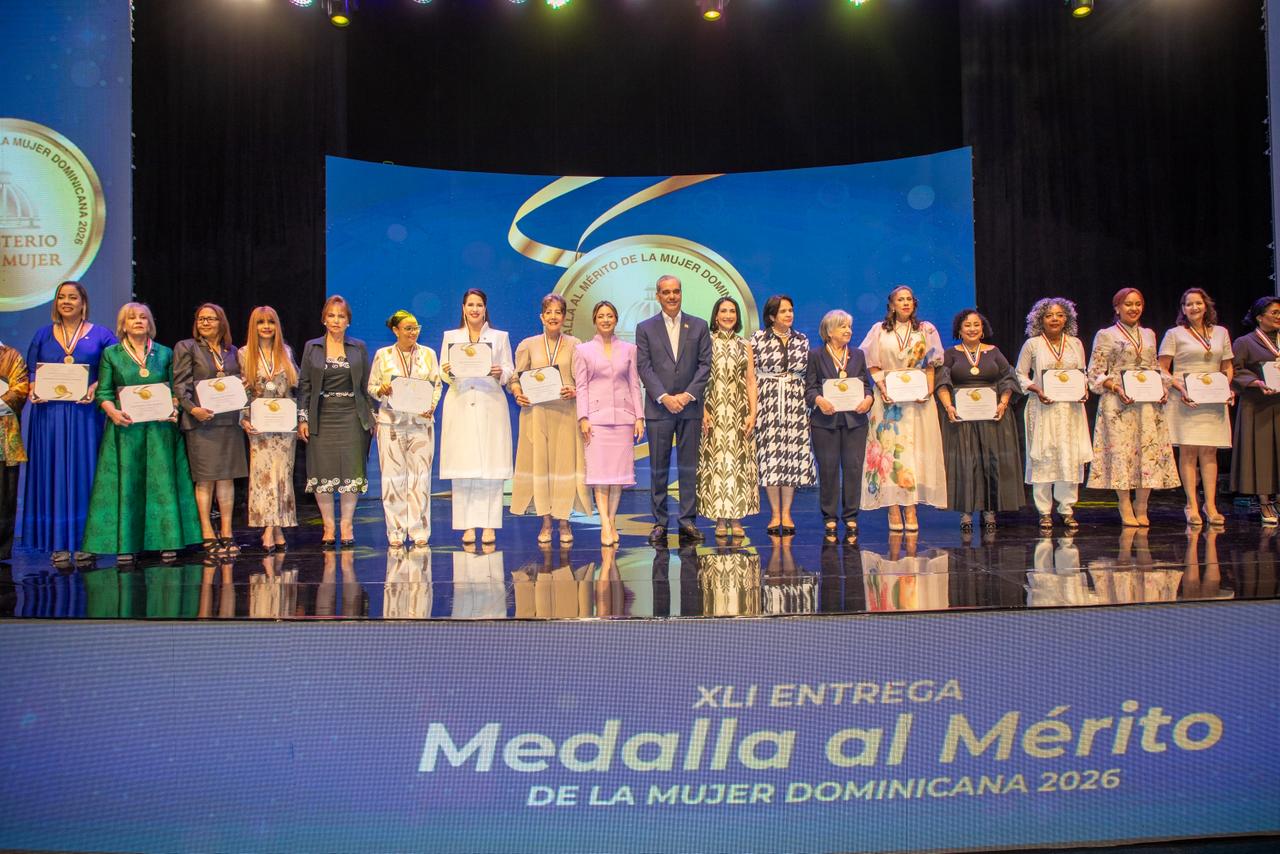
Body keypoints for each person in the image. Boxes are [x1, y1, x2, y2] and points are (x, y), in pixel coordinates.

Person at [81, 302, 202, 561]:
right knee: (129, 485)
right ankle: (127, 544)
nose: (138, 321)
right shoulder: (111, 354)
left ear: (150, 323)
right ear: (123, 325)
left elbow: (176, 389)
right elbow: (103, 392)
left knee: (162, 483)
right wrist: (113, 413)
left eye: (143, 317)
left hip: (160, 430)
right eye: (132, 318)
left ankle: (168, 540)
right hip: (125, 430)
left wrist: (174, 408)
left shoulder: (164, 353)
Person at [22, 280, 117, 563]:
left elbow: (115, 369)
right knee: (52, 473)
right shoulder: (42, 334)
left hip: (85, 415)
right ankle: (58, 543)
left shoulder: (102, 335)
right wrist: (33, 388)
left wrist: (96, 387)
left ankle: (87, 539)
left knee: (85, 473)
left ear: (83, 303)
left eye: (72, 297)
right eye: (61, 297)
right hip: (49, 417)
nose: (66, 301)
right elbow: (31, 371)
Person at [1086, 287, 1180, 525]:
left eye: (1138, 304)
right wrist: (1116, 387)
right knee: (1122, 452)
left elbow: (1155, 367)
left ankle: (1142, 505)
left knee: (1146, 452)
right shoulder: (1105, 334)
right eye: (1128, 304)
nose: (1134, 308)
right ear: (1117, 308)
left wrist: (1162, 389)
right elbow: (1095, 372)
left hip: (1146, 404)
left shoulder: (1149, 334)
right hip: (1118, 402)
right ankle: (1125, 503)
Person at [859, 285, 947, 531]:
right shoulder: (879, 330)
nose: (906, 303)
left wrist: (928, 390)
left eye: (909, 299)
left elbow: (931, 364)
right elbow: (872, 363)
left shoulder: (926, 329)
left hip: (917, 400)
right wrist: (883, 388)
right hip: (889, 399)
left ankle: (911, 507)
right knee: (890, 451)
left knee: (914, 451)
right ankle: (893, 508)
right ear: (892, 305)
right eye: (900, 299)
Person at [635, 274, 712, 544]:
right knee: (659, 468)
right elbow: (644, 366)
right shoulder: (645, 328)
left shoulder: (699, 325)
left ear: (681, 293)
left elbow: (705, 365)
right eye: (666, 292)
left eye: (676, 291)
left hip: (690, 408)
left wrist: (688, 395)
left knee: (689, 467)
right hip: (660, 409)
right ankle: (660, 522)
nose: (672, 296)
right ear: (658, 296)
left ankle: (687, 521)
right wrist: (665, 397)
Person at [510, 294, 592, 544]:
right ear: (541, 317)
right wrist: (518, 393)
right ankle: (546, 522)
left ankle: (564, 522)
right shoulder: (529, 345)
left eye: (558, 312)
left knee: (564, 467)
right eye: (549, 312)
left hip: (566, 413)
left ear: (564, 317)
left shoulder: (575, 345)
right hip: (537, 414)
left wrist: (574, 390)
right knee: (541, 466)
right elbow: (515, 378)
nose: (553, 316)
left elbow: (583, 380)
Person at [935, 309, 1024, 531]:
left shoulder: (994, 352)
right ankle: (966, 513)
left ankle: (990, 510)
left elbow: (1008, 378)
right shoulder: (950, 354)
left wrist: (1003, 403)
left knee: (990, 463)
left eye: (977, 324)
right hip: (962, 419)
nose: (972, 329)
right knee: (966, 463)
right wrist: (948, 407)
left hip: (991, 417)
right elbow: (941, 383)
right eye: (967, 325)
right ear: (959, 330)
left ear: (983, 329)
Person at [297, 295, 374, 547]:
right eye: (331, 315)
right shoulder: (312, 347)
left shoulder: (358, 347)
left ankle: (346, 524)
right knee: (322, 472)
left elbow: (366, 385)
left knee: (352, 470)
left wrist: (372, 416)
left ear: (348, 321)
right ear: (324, 319)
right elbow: (305, 385)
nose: (336, 320)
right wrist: (303, 418)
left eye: (341, 316)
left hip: (353, 415)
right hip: (322, 415)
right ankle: (329, 526)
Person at [439, 288, 515, 545]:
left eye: (479, 305)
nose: (474, 309)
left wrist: (500, 372)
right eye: (470, 304)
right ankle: (467, 526)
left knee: (490, 470)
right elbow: (442, 372)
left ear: (485, 308)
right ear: (463, 308)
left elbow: (509, 368)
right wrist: (448, 371)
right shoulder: (451, 337)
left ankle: (490, 525)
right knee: (464, 469)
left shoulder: (499, 337)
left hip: (490, 404)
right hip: (460, 403)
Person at [173, 303, 248, 554]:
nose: (205, 323)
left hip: (228, 422)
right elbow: (180, 385)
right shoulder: (186, 347)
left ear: (221, 323)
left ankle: (227, 531)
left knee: (226, 478)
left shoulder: (232, 351)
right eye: (201, 319)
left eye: (211, 319)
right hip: (201, 422)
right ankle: (206, 531)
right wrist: (193, 409)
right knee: (205, 480)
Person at [1014, 297, 1092, 530]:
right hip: (1042, 408)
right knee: (1043, 456)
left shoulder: (1075, 343)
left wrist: (1084, 390)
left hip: (1070, 410)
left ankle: (1067, 509)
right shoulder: (1033, 344)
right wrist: (1036, 389)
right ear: (1040, 320)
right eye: (1049, 316)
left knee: (1070, 456)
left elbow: (1082, 373)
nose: (1054, 319)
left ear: (1067, 318)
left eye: (1059, 315)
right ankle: (1044, 511)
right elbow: (1019, 374)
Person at [1158, 288, 1234, 526]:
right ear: (1183, 309)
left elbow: (1227, 366)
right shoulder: (1174, 334)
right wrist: (1180, 388)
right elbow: (1162, 368)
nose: (1194, 307)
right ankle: (1191, 504)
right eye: (1188, 304)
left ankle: (1210, 505)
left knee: (1210, 452)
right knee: (1189, 452)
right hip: (1185, 399)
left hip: (1212, 399)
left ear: (1206, 305)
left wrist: (1225, 388)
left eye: (1198, 303)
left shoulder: (1221, 333)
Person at [368, 309, 442, 548]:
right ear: (396, 330)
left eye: (416, 328)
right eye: (408, 328)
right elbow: (371, 387)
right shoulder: (383, 355)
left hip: (421, 423)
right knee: (393, 479)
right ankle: (396, 531)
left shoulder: (428, 354)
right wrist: (381, 390)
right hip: (391, 423)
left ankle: (419, 530)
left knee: (420, 478)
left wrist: (432, 406)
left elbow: (436, 385)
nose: (413, 332)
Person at [575, 300, 644, 547]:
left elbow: (634, 384)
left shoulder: (629, 349)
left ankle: (611, 519)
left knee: (617, 477)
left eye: (610, 316)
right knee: (600, 475)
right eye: (601, 316)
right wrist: (583, 417)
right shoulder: (583, 350)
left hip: (623, 419)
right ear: (595, 320)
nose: (606, 320)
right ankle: (605, 524)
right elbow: (581, 386)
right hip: (596, 420)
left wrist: (639, 417)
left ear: (616, 320)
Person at [805, 309, 873, 544]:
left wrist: (868, 399)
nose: (848, 331)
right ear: (829, 331)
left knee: (853, 468)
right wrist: (819, 400)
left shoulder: (858, 355)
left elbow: (866, 385)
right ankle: (830, 516)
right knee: (828, 469)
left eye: (849, 327)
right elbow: (810, 388)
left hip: (855, 421)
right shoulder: (815, 355)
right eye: (843, 326)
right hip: (825, 422)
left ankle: (851, 516)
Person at [749, 294, 814, 535]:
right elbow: (750, 375)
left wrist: (808, 408)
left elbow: (807, 375)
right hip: (767, 403)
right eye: (784, 311)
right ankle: (775, 513)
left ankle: (787, 513)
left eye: (791, 310)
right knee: (771, 458)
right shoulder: (757, 339)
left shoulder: (802, 339)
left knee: (792, 458)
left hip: (795, 404)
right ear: (771, 315)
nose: (789, 315)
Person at [697, 296, 760, 539]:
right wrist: (702, 410)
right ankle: (720, 519)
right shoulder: (706, 343)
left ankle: (736, 518)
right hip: (713, 412)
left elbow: (751, 381)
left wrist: (753, 412)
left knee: (738, 465)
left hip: (739, 413)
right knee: (717, 465)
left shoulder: (745, 344)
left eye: (732, 311)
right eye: (723, 311)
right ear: (715, 316)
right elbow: (698, 379)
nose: (728, 315)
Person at [240, 305, 298, 552]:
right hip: (260, 425)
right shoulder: (244, 354)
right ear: (254, 327)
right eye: (261, 322)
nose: (266, 327)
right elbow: (241, 391)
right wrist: (244, 418)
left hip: (284, 424)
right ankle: (270, 528)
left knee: (282, 476)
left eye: (271, 322)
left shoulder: (286, 351)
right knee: (263, 477)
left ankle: (276, 527)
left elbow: (294, 384)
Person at [1230, 296, 1280, 525]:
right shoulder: (1245, 342)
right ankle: (1264, 501)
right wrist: (1255, 382)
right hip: (1258, 405)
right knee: (1262, 454)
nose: (1279, 317)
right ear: (1260, 317)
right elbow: (1234, 370)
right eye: (1275, 313)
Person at [0, 341, 29, 561]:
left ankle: (1, 549)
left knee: (4, 498)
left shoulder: (11, 356)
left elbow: (20, 391)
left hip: (4, 439)